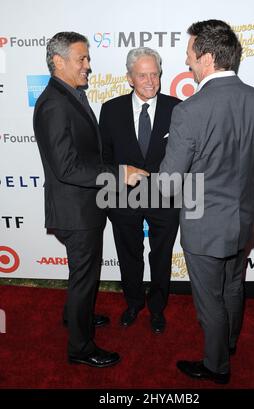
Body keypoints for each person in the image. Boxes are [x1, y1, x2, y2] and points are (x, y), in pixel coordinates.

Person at [159, 20, 254, 383]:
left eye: (190, 56)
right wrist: (238, 166)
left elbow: (168, 183)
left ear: (208, 57)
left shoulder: (189, 110)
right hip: (245, 217)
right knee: (233, 286)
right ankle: (228, 343)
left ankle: (217, 365)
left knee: (210, 299)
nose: (187, 63)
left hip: (205, 223)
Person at [33, 31, 147, 368]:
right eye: (81, 59)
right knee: (84, 278)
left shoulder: (70, 94)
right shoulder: (54, 103)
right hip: (75, 211)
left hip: (83, 206)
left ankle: (75, 317)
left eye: (87, 59)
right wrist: (118, 173)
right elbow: (67, 167)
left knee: (82, 275)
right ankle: (80, 348)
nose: (88, 66)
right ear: (58, 61)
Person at [99, 47, 181, 333]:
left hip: (165, 197)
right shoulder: (111, 109)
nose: (150, 81)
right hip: (122, 197)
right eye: (142, 75)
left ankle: (157, 308)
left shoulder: (177, 108)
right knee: (128, 253)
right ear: (129, 78)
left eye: (155, 74)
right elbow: (105, 158)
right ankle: (133, 302)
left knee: (161, 255)